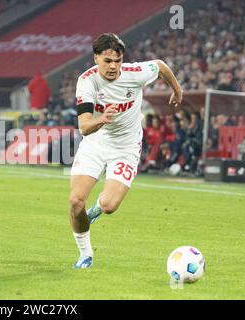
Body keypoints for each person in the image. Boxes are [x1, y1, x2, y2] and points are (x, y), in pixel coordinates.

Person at [69, 33, 183, 268]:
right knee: (75, 201)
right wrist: (103, 119)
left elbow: (160, 66)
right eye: (107, 61)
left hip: (126, 146)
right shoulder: (87, 81)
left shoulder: (135, 73)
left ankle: (98, 208)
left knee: (110, 206)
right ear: (96, 58)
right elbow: (84, 127)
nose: (113, 66)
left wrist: (177, 89)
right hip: (96, 142)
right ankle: (85, 254)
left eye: (117, 60)